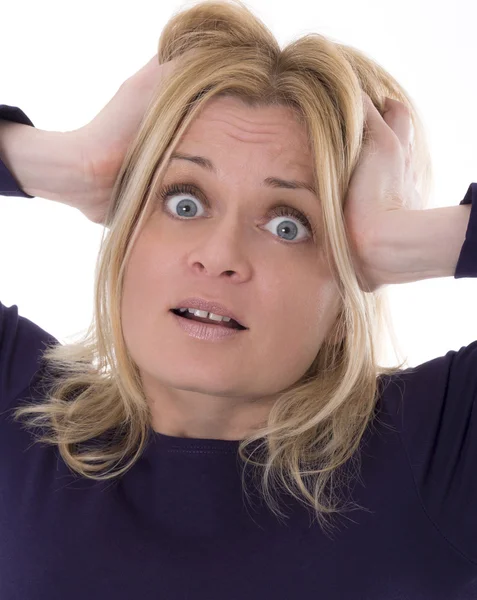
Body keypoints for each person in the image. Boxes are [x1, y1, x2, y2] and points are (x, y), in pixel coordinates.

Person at [1, 1, 476, 598]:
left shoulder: (441, 449)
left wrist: (402, 238)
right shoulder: (21, 417)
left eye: (288, 225)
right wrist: (70, 164)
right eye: (184, 201)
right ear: (125, 241)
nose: (219, 255)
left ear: (349, 280)